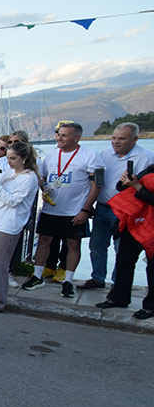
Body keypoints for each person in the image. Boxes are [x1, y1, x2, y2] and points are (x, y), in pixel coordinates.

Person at [21, 122, 101, 297]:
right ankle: (37, 276)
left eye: (64, 135)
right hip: (51, 210)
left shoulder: (90, 155)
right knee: (43, 241)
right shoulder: (51, 155)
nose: (59, 138)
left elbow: (96, 186)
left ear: (76, 138)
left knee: (73, 244)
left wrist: (86, 210)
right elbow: (42, 179)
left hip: (74, 211)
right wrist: (44, 189)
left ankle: (68, 281)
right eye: (58, 134)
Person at [80, 123, 154, 290]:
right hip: (103, 206)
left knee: (122, 250)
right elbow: (96, 182)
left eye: (122, 138)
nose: (116, 142)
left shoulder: (147, 158)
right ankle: (97, 278)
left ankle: (117, 284)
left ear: (135, 139)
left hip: (126, 212)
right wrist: (89, 204)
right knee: (97, 246)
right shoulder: (104, 154)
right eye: (114, 138)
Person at [0, 141, 39, 312]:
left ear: (24, 158)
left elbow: (12, 201)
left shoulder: (29, 178)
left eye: (13, 158)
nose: (9, 161)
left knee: (0, 263)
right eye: (8, 158)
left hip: (9, 224)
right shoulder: (8, 173)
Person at [96, 161, 154, 319]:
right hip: (134, 223)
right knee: (124, 261)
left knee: (152, 268)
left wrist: (137, 187)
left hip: (150, 226)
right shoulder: (150, 169)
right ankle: (119, 297)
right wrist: (125, 181)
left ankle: (150, 306)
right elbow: (122, 189)